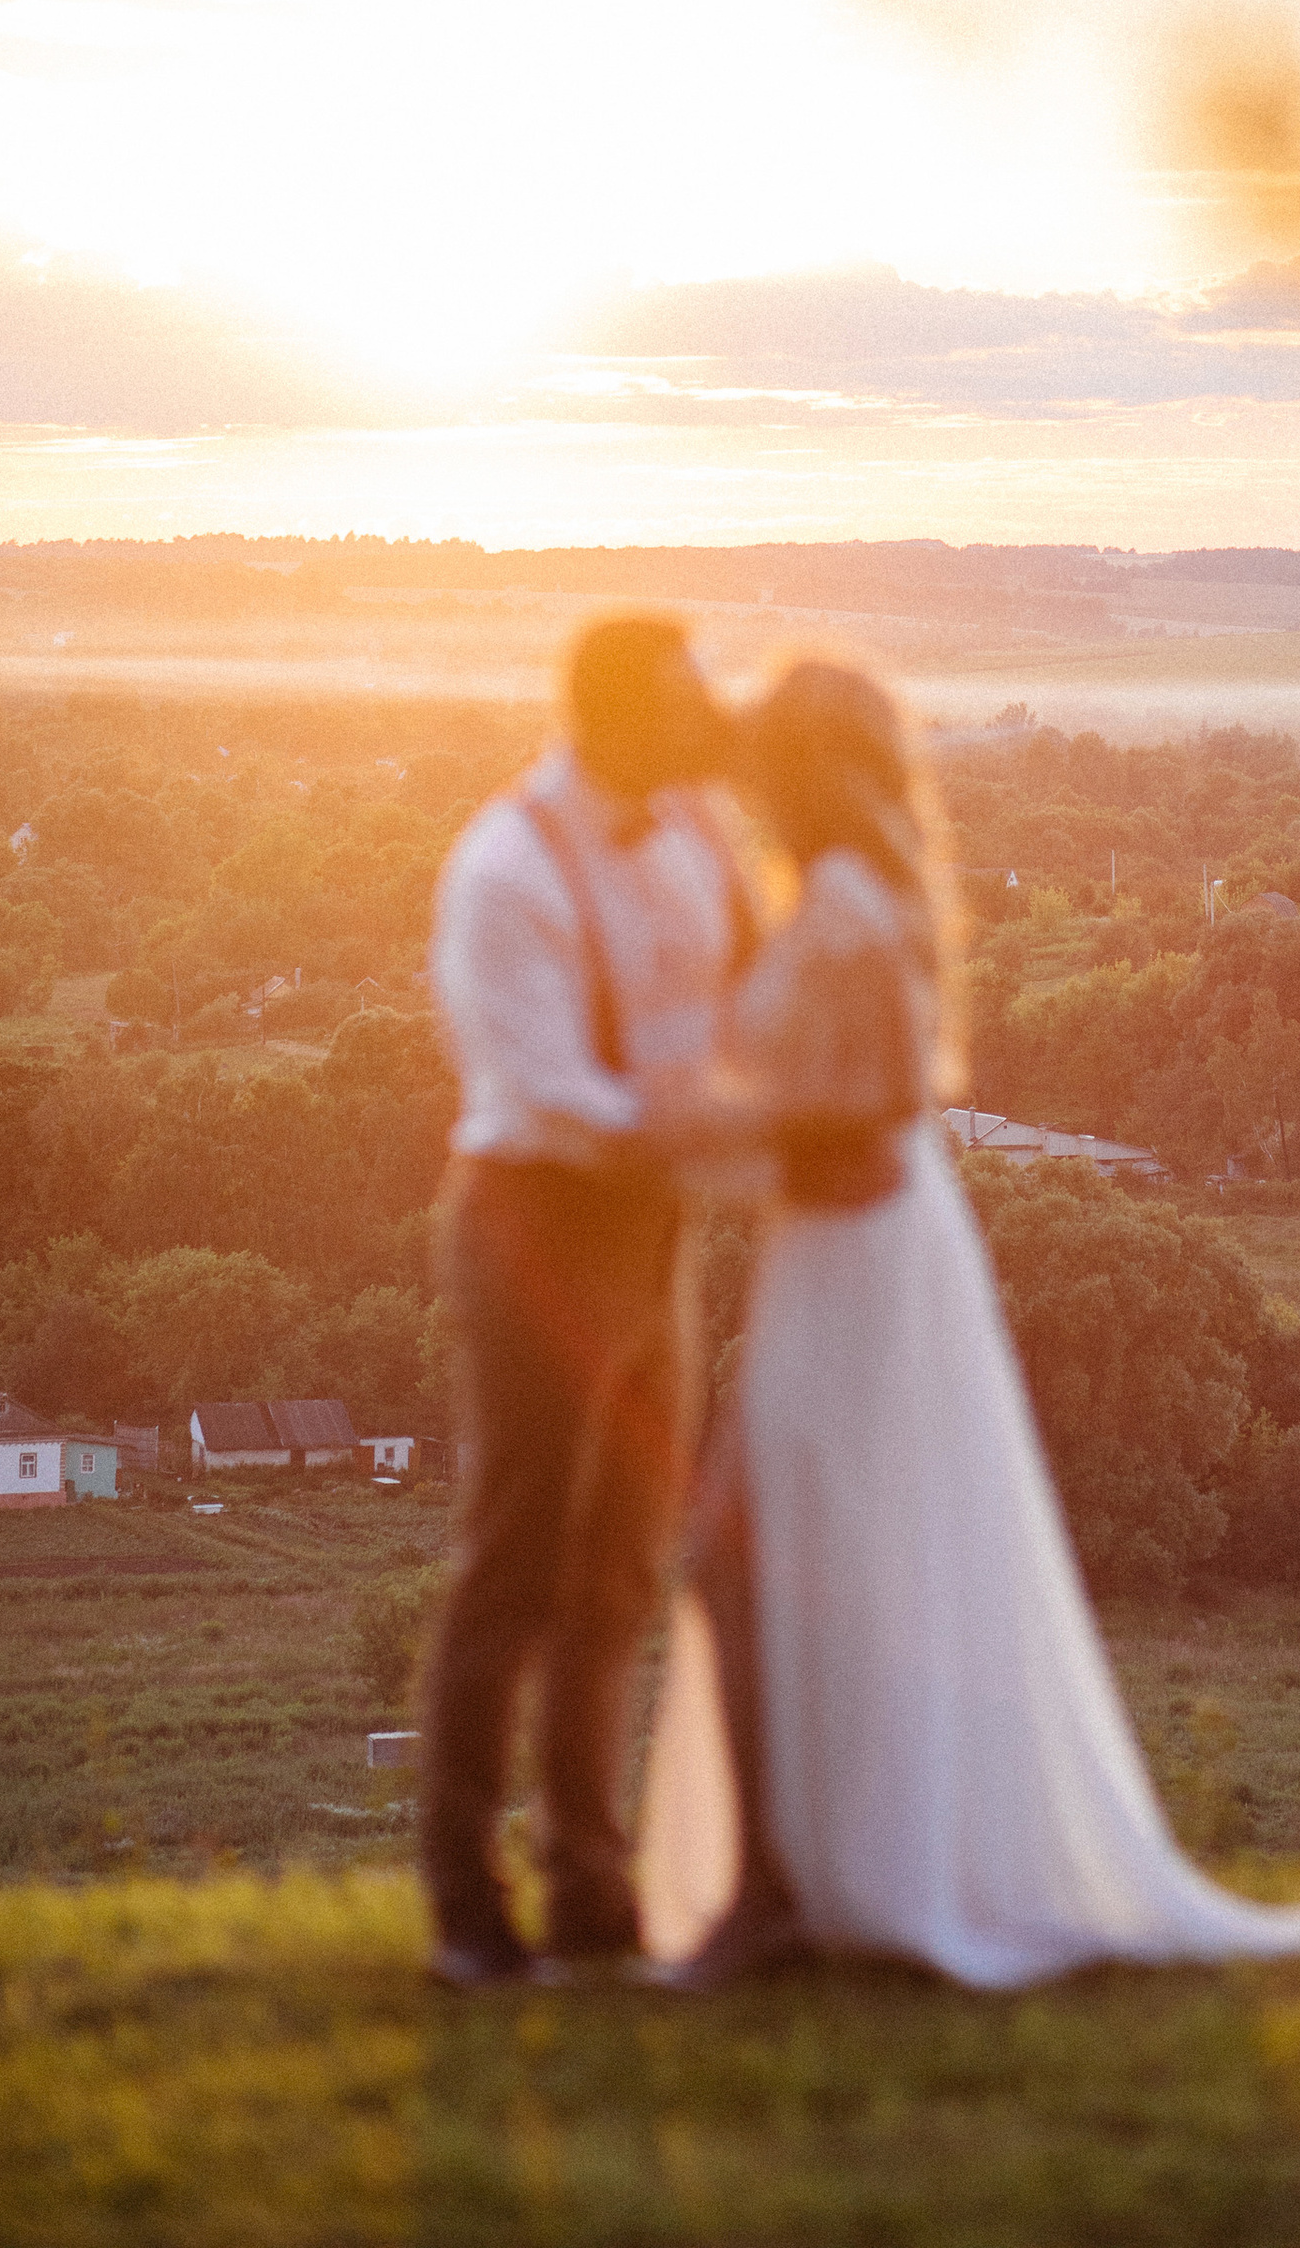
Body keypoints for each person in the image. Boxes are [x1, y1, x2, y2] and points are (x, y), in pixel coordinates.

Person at [643, 656, 1300, 1989]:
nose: (750, 781)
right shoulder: (844, 895)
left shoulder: (843, 908)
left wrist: (690, 1133)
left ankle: (785, 1895)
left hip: (858, 1258)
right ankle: (803, 1885)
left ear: (808, 771)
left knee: (748, 1554)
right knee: (789, 1560)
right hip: (843, 1256)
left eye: (767, 758)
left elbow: (868, 1128)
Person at [417, 611, 756, 1989]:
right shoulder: (506, 869)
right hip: (537, 1219)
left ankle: (593, 1889)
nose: (706, 725)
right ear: (617, 715)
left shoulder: (689, 828)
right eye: (684, 705)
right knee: (515, 1562)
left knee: (620, 1561)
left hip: (651, 1223)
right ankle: (465, 1907)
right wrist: (746, 1135)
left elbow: (729, 995)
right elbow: (556, 1090)